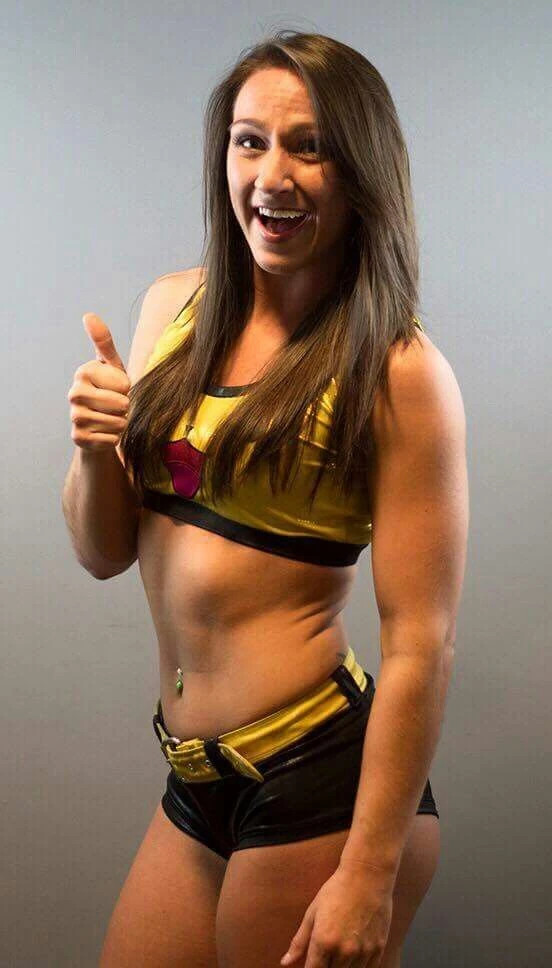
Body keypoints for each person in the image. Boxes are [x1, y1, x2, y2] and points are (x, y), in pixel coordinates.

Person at [63, 30, 468, 968]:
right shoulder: (172, 309)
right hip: (199, 778)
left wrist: (370, 872)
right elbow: (103, 552)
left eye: (309, 147)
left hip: (319, 781)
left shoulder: (399, 372)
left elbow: (421, 642)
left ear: (360, 170)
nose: (272, 176)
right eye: (250, 141)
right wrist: (91, 449)